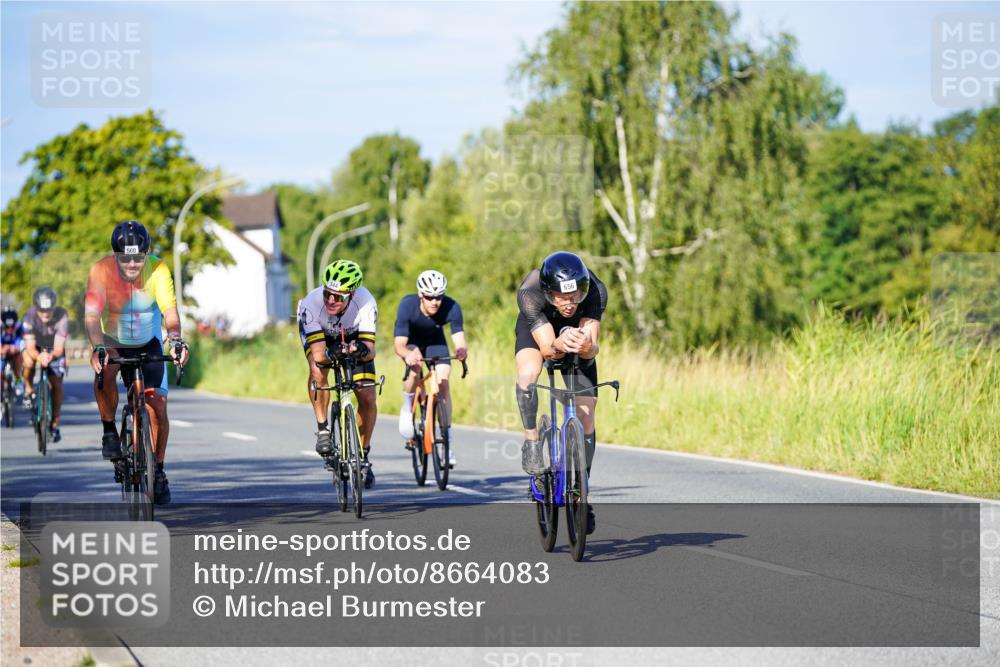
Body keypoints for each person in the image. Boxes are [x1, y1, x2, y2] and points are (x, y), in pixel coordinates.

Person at [85, 220, 189, 505]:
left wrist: (176, 340)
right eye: (125, 258)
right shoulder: (101, 271)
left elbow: (170, 313)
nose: (132, 264)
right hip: (113, 339)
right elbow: (92, 317)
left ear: (147, 253)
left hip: (148, 341)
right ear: (115, 256)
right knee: (105, 367)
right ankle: (109, 430)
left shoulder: (158, 269)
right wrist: (97, 347)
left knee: (157, 407)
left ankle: (159, 470)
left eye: (138, 257)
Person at [514, 251, 607, 534]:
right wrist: (560, 343)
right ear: (548, 292)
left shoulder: (595, 292)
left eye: (574, 295)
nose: (569, 304)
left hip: (575, 339)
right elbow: (547, 350)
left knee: (587, 415)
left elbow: (592, 347)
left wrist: (584, 346)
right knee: (529, 374)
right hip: (540, 332)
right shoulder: (530, 294)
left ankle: (581, 490)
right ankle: (531, 440)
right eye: (561, 297)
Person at [297, 259, 378, 489]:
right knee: (317, 368)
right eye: (328, 294)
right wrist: (332, 352)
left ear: (351, 294)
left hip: (353, 336)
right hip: (322, 335)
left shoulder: (366, 302)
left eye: (339, 297)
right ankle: (323, 429)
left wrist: (359, 350)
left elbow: (370, 351)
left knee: (368, 395)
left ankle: (363, 456)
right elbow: (320, 355)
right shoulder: (311, 304)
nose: (331, 300)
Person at [394, 269, 467, 467]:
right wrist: (408, 354)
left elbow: (459, 339)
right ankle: (408, 407)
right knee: (416, 368)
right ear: (420, 295)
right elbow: (399, 344)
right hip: (412, 344)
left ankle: (446, 442)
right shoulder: (407, 306)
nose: (435, 301)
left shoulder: (452, 307)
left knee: (443, 383)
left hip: (436, 342)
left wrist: (461, 351)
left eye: (439, 296)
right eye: (429, 297)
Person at [21, 288, 70, 442]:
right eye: (42, 310)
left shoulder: (62, 316)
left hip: (53, 349)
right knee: (28, 361)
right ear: (36, 308)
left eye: (48, 310)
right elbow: (29, 347)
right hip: (35, 347)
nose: (45, 314)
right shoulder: (29, 316)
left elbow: (59, 347)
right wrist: (38, 356)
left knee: (56, 384)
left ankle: (55, 422)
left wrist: (50, 356)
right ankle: (29, 389)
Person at [1, 308, 26, 398]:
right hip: (2, 352)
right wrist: (3, 349)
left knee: (19, 357)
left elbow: (22, 342)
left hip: (14, 352)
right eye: (7, 327)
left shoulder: (19, 327)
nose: (10, 329)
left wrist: (16, 348)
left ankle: (18, 380)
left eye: (12, 326)